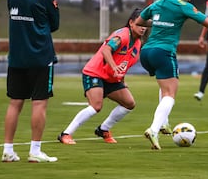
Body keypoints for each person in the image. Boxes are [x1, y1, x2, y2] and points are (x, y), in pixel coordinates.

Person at [135, 0, 208, 150]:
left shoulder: (159, 2)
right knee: (170, 94)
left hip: (146, 52)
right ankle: (154, 129)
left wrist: (160, 23)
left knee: (164, 87)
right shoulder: (184, 6)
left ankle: (164, 124)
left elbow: (139, 22)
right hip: (163, 52)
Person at [2, 0, 59, 163]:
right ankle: (35, 151)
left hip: (16, 56)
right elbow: (54, 24)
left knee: (14, 102)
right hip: (40, 56)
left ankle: (8, 149)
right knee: (39, 103)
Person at [57, 8, 146, 144]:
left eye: (145, 25)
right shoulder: (122, 35)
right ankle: (66, 134)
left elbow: (124, 62)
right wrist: (114, 67)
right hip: (95, 73)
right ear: (131, 23)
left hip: (111, 78)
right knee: (96, 106)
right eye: (140, 24)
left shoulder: (138, 43)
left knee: (129, 103)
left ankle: (103, 129)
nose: (143, 27)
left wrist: (121, 79)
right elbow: (106, 50)